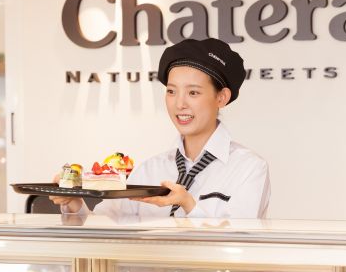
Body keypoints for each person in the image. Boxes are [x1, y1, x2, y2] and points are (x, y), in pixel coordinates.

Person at [51, 38, 270, 219]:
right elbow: (104, 228)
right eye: (171, 91)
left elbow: (241, 240)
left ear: (221, 97)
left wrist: (189, 205)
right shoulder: (149, 170)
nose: (179, 104)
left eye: (193, 93)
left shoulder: (249, 168)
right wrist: (74, 204)